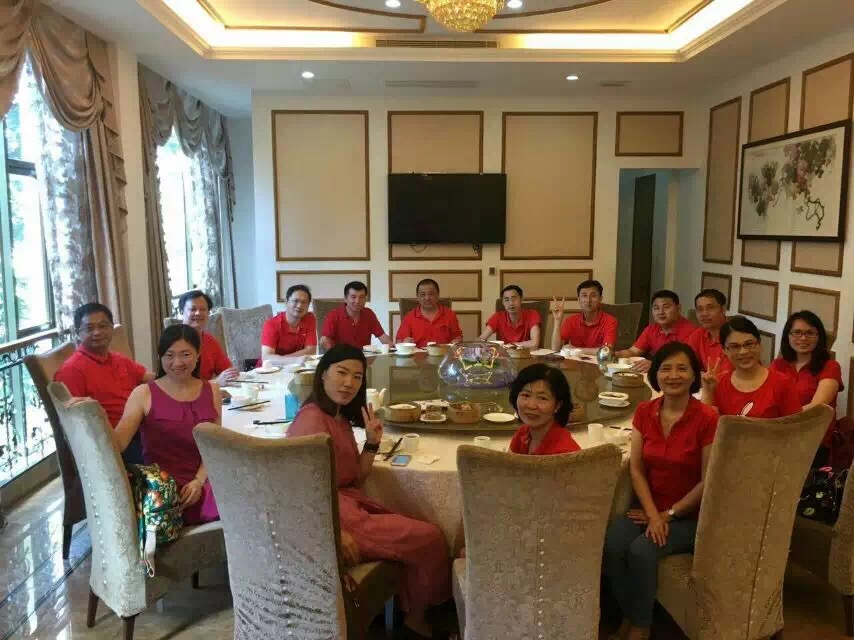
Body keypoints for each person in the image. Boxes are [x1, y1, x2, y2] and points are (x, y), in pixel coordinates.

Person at [287, 345, 450, 639]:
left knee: (420, 529)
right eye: (341, 373)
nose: (348, 383)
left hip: (348, 505)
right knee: (430, 537)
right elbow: (295, 488)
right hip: (334, 516)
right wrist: (335, 533)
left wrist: (372, 442)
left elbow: (357, 476)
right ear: (323, 374)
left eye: (357, 377)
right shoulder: (311, 419)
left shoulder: (338, 417)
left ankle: (409, 609)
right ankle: (416, 617)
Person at [603, 343, 718, 640]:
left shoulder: (708, 418)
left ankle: (640, 626)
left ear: (694, 375)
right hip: (650, 508)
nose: (673, 375)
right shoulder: (645, 411)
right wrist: (654, 514)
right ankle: (631, 614)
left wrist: (668, 514)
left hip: (691, 516)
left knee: (641, 550)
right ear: (655, 374)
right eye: (666, 368)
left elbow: (707, 481)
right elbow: (637, 469)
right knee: (613, 543)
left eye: (682, 368)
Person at [112, 325, 221, 524]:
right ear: (160, 357)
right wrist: (91, 417)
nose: (177, 362)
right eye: (169, 355)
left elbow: (215, 446)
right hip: (163, 490)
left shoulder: (212, 390)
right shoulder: (144, 394)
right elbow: (117, 444)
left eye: (185, 354)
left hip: (205, 480)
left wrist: (198, 481)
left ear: (198, 355)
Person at [55, 302, 154, 464]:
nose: (97, 332)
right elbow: (75, 419)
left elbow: (148, 378)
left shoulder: (117, 358)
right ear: (78, 333)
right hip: (113, 442)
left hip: (140, 427)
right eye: (89, 328)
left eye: (103, 326)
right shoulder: (72, 369)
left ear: (111, 328)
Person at [770, 311, 843, 466]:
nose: (803, 338)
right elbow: (768, 397)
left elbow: (816, 408)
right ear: (788, 336)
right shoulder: (778, 365)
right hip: (779, 433)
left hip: (813, 439)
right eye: (797, 332)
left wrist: (778, 421)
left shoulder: (830, 367)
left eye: (810, 333)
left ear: (819, 337)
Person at [701, 317, 801, 418]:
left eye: (749, 344)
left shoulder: (782, 383)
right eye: (735, 346)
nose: (743, 352)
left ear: (759, 344)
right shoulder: (719, 383)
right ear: (724, 351)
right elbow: (706, 424)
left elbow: (795, 425)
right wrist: (707, 393)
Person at [616, 290, 696, 373]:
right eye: (656, 308)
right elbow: (633, 352)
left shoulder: (691, 332)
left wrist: (655, 364)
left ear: (678, 308)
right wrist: (615, 354)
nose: (661, 312)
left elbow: (685, 362)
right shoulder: (651, 329)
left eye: (666, 307)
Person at [508, 364, 580, 455]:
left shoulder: (563, 453)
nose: (531, 405)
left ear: (558, 405)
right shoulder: (523, 433)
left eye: (542, 398)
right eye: (526, 395)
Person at [178, 289, 238, 386]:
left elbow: (227, 371)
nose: (198, 313)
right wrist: (215, 382)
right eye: (193, 309)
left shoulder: (210, 340)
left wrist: (230, 375)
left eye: (203, 309)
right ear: (181, 312)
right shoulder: (173, 342)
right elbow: (179, 385)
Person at [319, 281, 392, 350]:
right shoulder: (334, 315)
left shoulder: (368, 314)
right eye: (353, 297)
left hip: (363, 356)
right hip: (340, 357)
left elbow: (382, 336)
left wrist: (394, 347)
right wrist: (334, 353)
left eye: (361, 297)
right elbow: (324, 340)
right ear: (345, 299)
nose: (357, 301)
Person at [549, 280, 618, 353]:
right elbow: (555, 348)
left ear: (600, 299)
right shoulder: (571, 320)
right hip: (575, 360)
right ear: (579, 300)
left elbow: (607, 351)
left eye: (593, 295)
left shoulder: (610, 321)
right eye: (584, 296)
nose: (588, 300)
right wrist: (557, 321)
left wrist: (576, 350)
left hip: (598, 360)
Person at [396, 278, 463, 348]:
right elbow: (399, 341)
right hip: (418, 354)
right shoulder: (409, 317)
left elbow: (458, 337)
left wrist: (457, 341)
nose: (427, 298)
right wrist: (405, 343)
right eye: (423, 294)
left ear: (438, 295)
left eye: (431, 294)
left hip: (443, 353)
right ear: (417, 297)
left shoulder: (450, 315)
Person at [261, 284, 317, 362]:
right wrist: (295, 360)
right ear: (286, 302)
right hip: (269, 368)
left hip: (296, 366)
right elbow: (266, 358)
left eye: (304, 302)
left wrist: (281, 359)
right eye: (295, 301)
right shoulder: (272, 324)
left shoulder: (309, 318)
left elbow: (311, 351)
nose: (299, 305)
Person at [479, 285, 541, 349]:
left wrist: (510, 345)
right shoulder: (498, 317)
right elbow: (481, 339)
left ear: (521, 299)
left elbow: (534, 343)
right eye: (506, 300)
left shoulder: (532, 314)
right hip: (505, 354)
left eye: (514, 299)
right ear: (503, 302)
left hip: (526, 354)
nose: (511, 303)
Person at [686, 289, 731, 373]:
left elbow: (727, 375)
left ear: (723, 309)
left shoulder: (735, 335)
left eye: (710, 308)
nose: (704, 314)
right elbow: (683, 360)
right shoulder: (699, 333)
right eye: (700, 309)